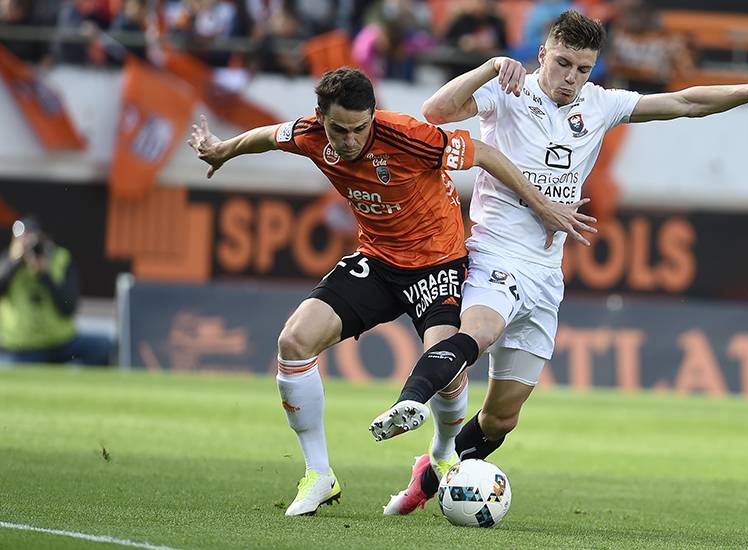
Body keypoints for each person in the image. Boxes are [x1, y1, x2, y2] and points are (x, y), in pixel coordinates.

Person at [371, 10, 748, 515]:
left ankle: (433, 468)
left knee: (501, 420)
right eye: (562, 64)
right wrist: (491, 66)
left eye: (583, 68)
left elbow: (686, 101)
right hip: (494, 251)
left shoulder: (601, 104)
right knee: (480, 332)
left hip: (546, 273)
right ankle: (411, 402)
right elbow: (435, 111)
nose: (571, 79)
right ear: (542, 54)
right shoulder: (508, 88)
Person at [187, 67, 595, 516]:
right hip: (379, 262)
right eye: (339, 129)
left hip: (438, 263)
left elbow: (486, 154)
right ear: (320, 118)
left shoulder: (408, 136)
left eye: (360, 128)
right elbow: (269, 136)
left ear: (373, 116)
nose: (349, 140)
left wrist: (544, 206)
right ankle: (319, 474)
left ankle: (441, 452)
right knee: (293, 341)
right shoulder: (309, 134)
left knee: (448, 366)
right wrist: (223, 150)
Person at [0, 217, 111, 365]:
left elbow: (68, 307)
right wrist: (15, 261)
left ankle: (74, 374)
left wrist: (45, 275)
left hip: (61, 343)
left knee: (102, 347)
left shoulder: (60, 258)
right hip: (23, 347)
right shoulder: (7, 261)